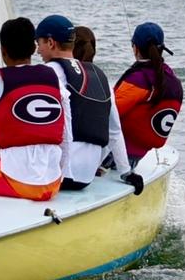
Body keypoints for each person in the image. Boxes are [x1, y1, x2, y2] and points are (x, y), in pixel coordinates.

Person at [0, 17, 71, 201]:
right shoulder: (54, 79)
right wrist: (61, 175)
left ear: (3, 51)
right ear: (34, 48)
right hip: (52, 183)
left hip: (17, 183)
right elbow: (67, 135)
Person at [34, 14, 143, 194]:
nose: (38, 51)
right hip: (86, 176)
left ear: (51, 43)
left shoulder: (46, 73)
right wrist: (126, 172)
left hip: (57, 175)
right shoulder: (101, 77)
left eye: (39, 44)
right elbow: (114, 130)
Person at [114, 22, 183, 166]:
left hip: (116, 156)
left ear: (135, 48)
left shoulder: (139, 79)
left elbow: (109, 112)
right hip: (138, 155)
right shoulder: (170, 76)